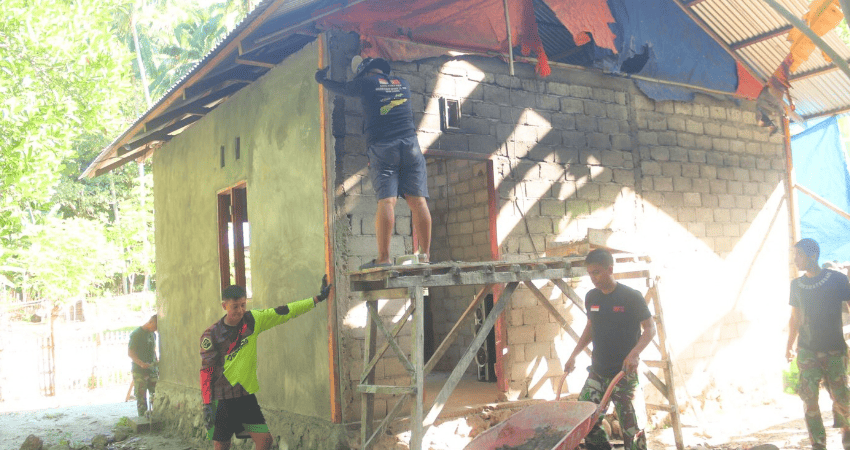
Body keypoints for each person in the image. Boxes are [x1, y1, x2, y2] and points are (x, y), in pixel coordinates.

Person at [315, 57, 432, 269]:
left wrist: (322, 80)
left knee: (387, 202)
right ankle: (425, 257)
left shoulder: (367, 83)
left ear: (365, 73)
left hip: (384, 146)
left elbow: (344, 88)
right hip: (410, 145)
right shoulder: (402, 83)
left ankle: (384, 258)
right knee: (419, 202)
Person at [200, 275, 332, 450]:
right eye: (234, 307)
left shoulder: (252, 320)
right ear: (224, 306)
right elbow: (206, 371)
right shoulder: (211, 334)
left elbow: (285, 311)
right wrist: (207, 403)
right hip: (221, 398)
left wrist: (317, 299)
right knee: (222, 445)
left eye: (243, 305)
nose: (240, 310)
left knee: (265, 440)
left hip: (245, 395)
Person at [563, 248, 656, 450]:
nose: (593, 278)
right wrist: (574, 355)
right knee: (585, 421)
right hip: (598, 372)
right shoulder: (592, 297)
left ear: (610, 269)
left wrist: (634, 354)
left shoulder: (631, 297)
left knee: (634, 430)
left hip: (624, 374)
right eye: (590, 273)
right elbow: (591, 327)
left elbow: (650, 329)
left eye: (596, 272)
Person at [786, 238, 850, 450]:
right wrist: (788, 345)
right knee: (809, 399)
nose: (796, 259)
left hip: (834, 349)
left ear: (813, 256)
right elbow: (795, 317)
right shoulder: (797, 285)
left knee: (841, 398)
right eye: (795, 254)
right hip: (807, 351)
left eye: (799, 254)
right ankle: (818, 444)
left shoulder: (837, 279)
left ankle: (847, 434)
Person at [128, 314, 158, 417]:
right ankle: (142, 419)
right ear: (150, 322)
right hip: (139, 371)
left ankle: (155, 418)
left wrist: (156, 363)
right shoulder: (136, 334)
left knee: (155, 395)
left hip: (152, 370)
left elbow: (153, 350)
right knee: (141, 397)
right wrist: (141, 363)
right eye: (155, 327)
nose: (155, 330)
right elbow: (130, 353)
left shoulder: (152, 334)